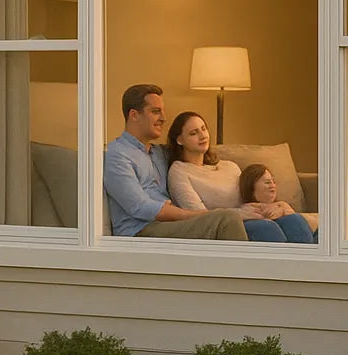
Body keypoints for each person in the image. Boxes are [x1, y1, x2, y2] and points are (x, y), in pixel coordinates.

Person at [103, 84, 247, 241]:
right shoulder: (117, 154)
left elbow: (192, 152)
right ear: (134, 115)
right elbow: (139, 207)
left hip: (167, 225)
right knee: (226, 219)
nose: (164, 118)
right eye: (156, 111)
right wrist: (199, 215)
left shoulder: (160, 153)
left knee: (256, 225)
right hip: (141, 232)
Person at [165, 111, 315, 244]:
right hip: (230, 226)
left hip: (253, 216)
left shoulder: (229, 166)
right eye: (193, 133)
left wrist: (278, 206)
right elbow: (197, 215)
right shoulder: (179, 171)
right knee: (265, 227)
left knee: (294, 220)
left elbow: (251, 198)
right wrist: (239, 214)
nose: (202, 135)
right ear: (179, 140)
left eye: (204, 129)